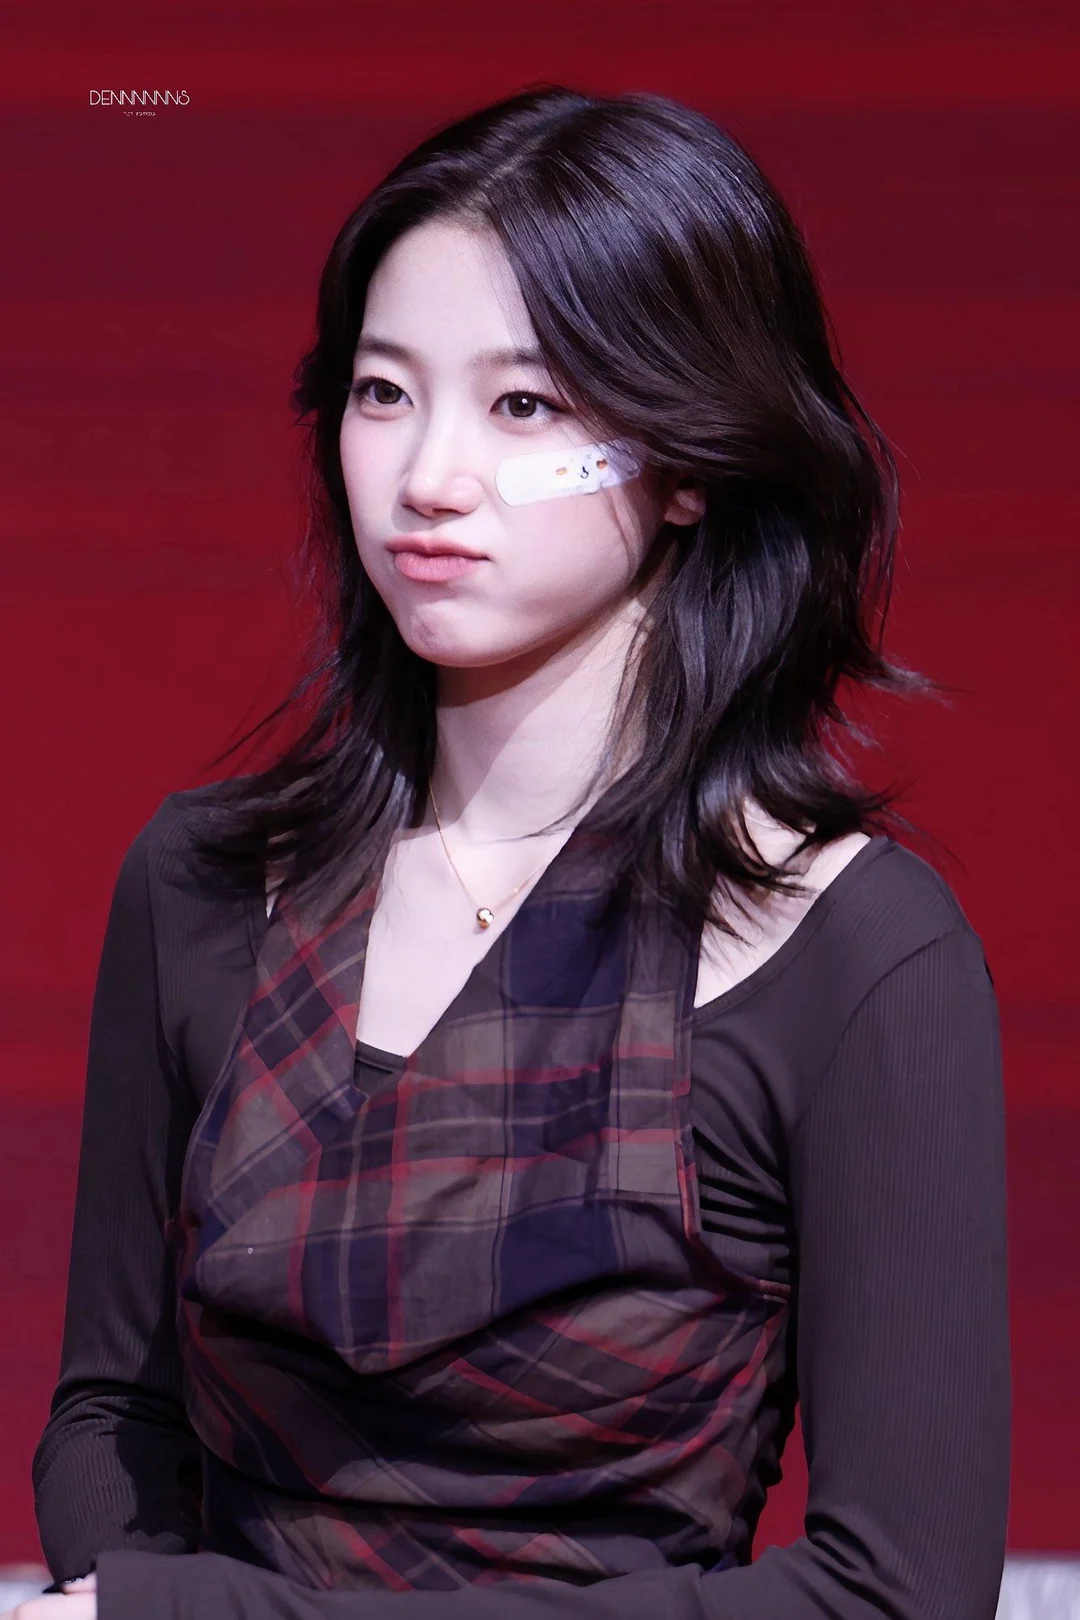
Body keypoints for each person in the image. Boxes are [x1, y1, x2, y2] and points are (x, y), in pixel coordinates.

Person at [18, 85, 1009, 1620]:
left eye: (526, 406)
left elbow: (897, 1594)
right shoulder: (205, 883)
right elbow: (112, 1418)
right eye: (383, 392)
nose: (428, 476)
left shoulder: (856, 951)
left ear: (690, 460)